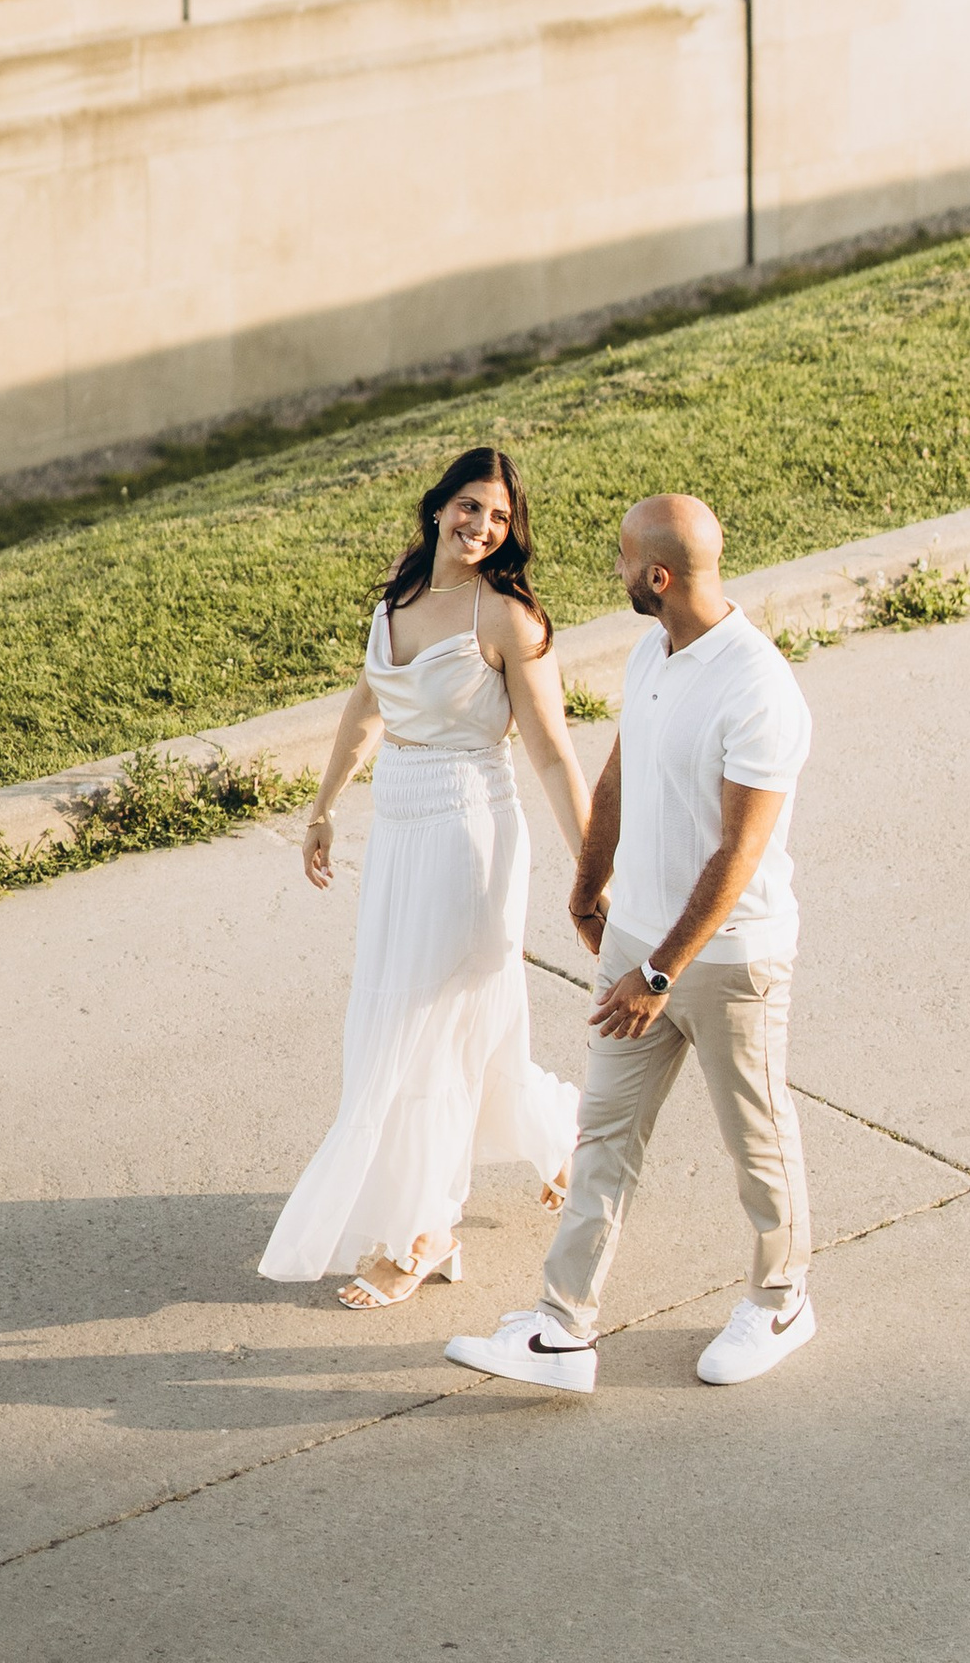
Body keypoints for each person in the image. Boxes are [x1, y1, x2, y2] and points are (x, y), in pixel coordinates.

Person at [446, 490, 816, 1396]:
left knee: (756, 1140)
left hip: (726, 965)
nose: (612, 572)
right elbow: (621, 764)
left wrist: (659, 969)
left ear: (658, 575)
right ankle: (564, 1330)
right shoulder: (657, 650)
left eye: (621, 559)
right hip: (637, 950)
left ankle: (781, 1300)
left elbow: (740, 852)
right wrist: (587, 882)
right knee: (603, 1135)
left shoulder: (759, 688)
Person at [260, 445, 594, 1307]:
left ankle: (425, 1228)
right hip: (402, 831)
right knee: (413, 1019)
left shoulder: (508, 618)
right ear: (439, 505)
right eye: (471, 507)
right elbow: (368, 708)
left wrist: (595, 871)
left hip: (470, 832)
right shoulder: (401, 595)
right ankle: (567, 1144)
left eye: (499, 517)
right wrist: (325, 808)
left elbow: (553, 755)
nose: (481, 527)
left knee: (426, 1031)